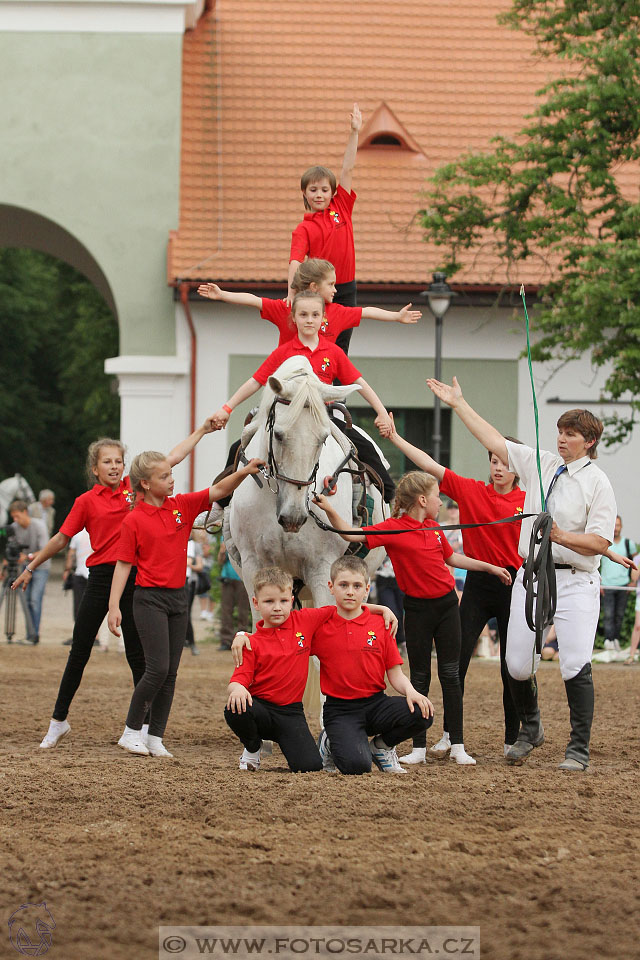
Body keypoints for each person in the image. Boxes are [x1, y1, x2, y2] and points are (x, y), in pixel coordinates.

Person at [427, 375, 617, 771]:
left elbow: (600, 542)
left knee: (573, 664)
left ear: (590, 441)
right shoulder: (543, 464)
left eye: (571, 434)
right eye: (560, 432)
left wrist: (560, 534)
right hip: (532, 576)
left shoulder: (598, 482)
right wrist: (458, 404)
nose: (562, 439)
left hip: (575, 578)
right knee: (516, 664)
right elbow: (495, 440)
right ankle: (531, 726)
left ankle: (577, 748)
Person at [12, 421, 219, 750]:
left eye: (118, 461)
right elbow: (62, 538)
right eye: (106, 461)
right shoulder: (85, 502)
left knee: (140, 658)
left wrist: (203, 432)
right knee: (79, 652)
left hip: (136, 581)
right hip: (100, 580)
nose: (114, 466)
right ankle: (58, 721)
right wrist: (31, 565)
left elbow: (173, 458)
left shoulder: (134, 490)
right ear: (94, 468)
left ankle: (143, 730)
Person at [313, 474, 512, 766]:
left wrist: (490, 568)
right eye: (436, 497)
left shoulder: (433, 527)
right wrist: (330, 508)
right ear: (422, 500)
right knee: (419, 676)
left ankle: (457, 744)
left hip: (446, 608)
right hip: (417, 610)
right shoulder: (392, 529)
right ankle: (418, 748)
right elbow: (351, 535)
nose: (440, 502)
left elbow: (453, 559)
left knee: (451, 674)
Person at [108, 449, 264, 758]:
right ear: (145, 484)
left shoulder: (181, 506)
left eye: (170, 474)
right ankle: (131, 731)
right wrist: (114, 607)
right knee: (157, 668)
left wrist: (245, 472)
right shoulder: (134, 520)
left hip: (179, 598)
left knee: (171, 672)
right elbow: (123, 565)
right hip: (148, 599)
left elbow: (218, 490)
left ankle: (155, 737)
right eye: (163, 476)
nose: (171, 479)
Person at [385, 418, 525, 760]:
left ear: (518, 467)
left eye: (505, 462)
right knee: (455, 665)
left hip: (513, 583)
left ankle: (512, 739)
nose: (498, 468)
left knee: (512, 668)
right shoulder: (472, 491)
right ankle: (449, 737)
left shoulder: (529, 497)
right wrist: (397, 437)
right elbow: (429, 466)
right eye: (493, 460)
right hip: (479, 584)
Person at [230, 558, 430, 776]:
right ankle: (311, 740)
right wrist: (242, 635)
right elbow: (278, 635)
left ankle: (381, 747)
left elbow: (395, 673)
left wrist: (411, 691)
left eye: (357, 586)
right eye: (343, 585)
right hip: (340, 710)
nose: (350, 592)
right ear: (331, 587)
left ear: (366, 589)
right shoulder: (315, 627)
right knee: (356, 767)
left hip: (372, 703)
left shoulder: (378, 625)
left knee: (422, 712)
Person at [209, 291, 396, 502]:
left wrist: (381, 412)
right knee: (239, 446)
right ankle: (220, 506)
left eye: (315, 315)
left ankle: (388, 500)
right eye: (304, 314)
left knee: (366, 449)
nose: (309, 320)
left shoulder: (333, 352)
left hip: (321, 415)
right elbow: (255, 381)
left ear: (322, 318)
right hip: (285, 416)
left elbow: (359, 383)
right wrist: (226, 408)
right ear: (294, 318)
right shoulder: (284, 352)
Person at [196, 258, 420, 349]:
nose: (335, 290)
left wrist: (396, 317)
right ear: (314, 287)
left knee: (350, 440)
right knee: (248, 437)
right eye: (331, 285)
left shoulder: (338, 312)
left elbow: (367, 312)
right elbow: (255, 301)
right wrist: (223, 294)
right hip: (286, 390)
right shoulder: (287, 308)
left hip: (322, 394)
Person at [287, 104, 362, 354]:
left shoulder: (342, 206)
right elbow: (295, 263)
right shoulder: (304, 228)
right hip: (320, 290)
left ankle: (337, 393)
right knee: (321, 345)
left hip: (346, 286)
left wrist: (354, 133)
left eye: (324, 190)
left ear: (332, 192)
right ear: (305, 194)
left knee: (342, 347)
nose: (319, 195)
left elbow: (347, 169)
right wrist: (292, 295)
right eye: (313, 190)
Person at [8, 500, 49, 643]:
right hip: (24, 568)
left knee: (34, 600)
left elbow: (45, 550)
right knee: (26, 601)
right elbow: (11, 548)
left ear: (25, 512)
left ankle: (34, 635)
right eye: (13, 516)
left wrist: (28, 557)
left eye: (17, 516)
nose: (15, 520)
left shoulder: (39, 526)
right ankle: (30, 634)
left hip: (41, 567)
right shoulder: (14, 527)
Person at [599, 516, 636, 651]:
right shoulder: (604, 543)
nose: (616, 528)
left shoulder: (628, 544)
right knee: (608, 614)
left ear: (621, 527)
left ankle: (615, 640)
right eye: (614, 525)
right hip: (607, 584)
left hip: (623, 584)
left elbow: (636, 561)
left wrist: (633, 581)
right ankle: (608, 640)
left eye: (618, 525)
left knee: (619, 614)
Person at [218, 539, 250, 651]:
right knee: (226, 611)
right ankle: (226, 640)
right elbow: (220, 561)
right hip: (227, 579)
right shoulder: (224, 536)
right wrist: (222, 551)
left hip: (242, 578)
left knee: (243, 611)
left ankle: (243, 639)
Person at [185, 533, 204, 656]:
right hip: (177, 580)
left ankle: (192, 642)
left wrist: (189, 564)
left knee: (186, 612)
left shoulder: (195, 546)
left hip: (189, 582)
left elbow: (200, 566)